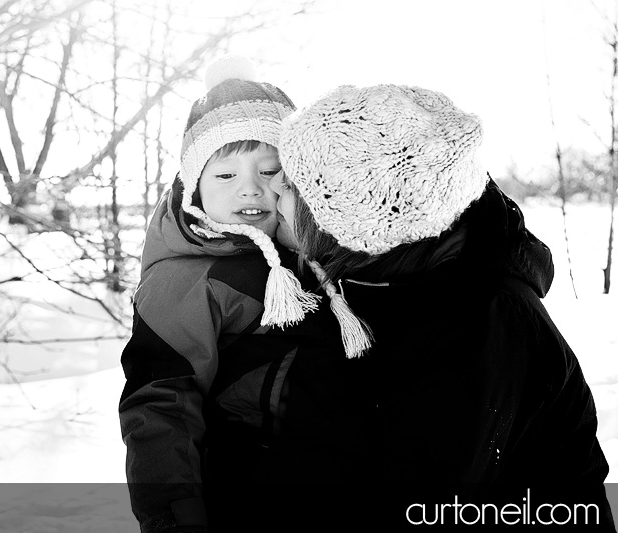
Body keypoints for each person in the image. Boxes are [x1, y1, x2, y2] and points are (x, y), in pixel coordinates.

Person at [267, 83, 615, 530]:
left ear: (352, 221)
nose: (274, 182)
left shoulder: (480, 330)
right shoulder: (390, 281)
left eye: (296, 179)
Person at [118, 56, 321, 533]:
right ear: (196, 188)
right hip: (243, 496)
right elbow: (161, 402)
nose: (249, 188)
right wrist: (174, 514)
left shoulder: (315, 257)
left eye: (270, 170)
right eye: (225, 175)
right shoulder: (185, 279)